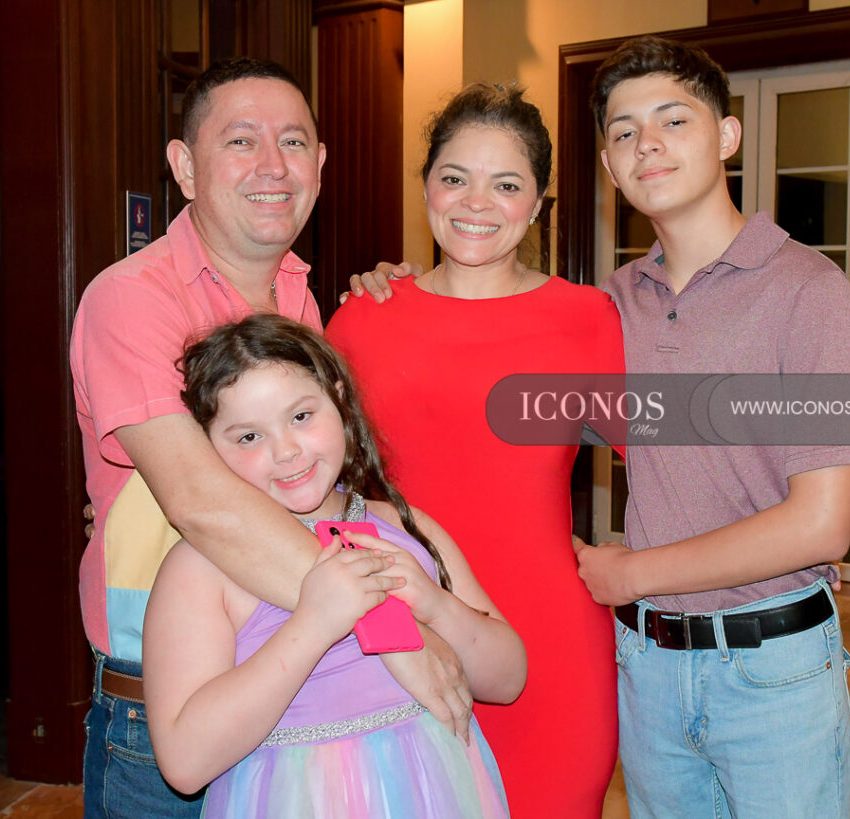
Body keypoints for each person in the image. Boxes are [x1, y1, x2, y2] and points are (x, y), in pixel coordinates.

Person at [70, 57, 470, 818]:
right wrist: (392, 632)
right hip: (176, 712)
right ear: (185, 167)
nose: (273, 165)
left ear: (319, 165)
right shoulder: (132, 298)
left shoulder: (303, 300)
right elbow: (203, 503)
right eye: (241, 140)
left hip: (314, 698)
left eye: (293, 142)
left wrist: (400, 304)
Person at [573, 36, 850, 818]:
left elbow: (823, 524)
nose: (647, 144)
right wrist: (409, 285)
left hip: (772, 672)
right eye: (624, 132)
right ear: (609, 165)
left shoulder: (810, 291)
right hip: (649, 670)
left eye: (673, 120)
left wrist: (632, 573)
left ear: (726, 135)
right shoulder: (611, 304)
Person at [325, 83, 626, 818]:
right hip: (398, 637)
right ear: (426, 185)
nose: (476, 203)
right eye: (455, 177)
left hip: (553, 646)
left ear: (540, 202)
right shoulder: (362, 319)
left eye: (507, 184)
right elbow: (299, 473)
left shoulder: (587, 319)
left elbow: (676, 466)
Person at [143, 314, 523, 817]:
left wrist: (436, 606)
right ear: (206, 448)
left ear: (339, 401)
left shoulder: (406, 528)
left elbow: (508, 679)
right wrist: (314, 623)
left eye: (301, 416)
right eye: (248, 437)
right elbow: (185, 762)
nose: (286, 451)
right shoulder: (200, 569)